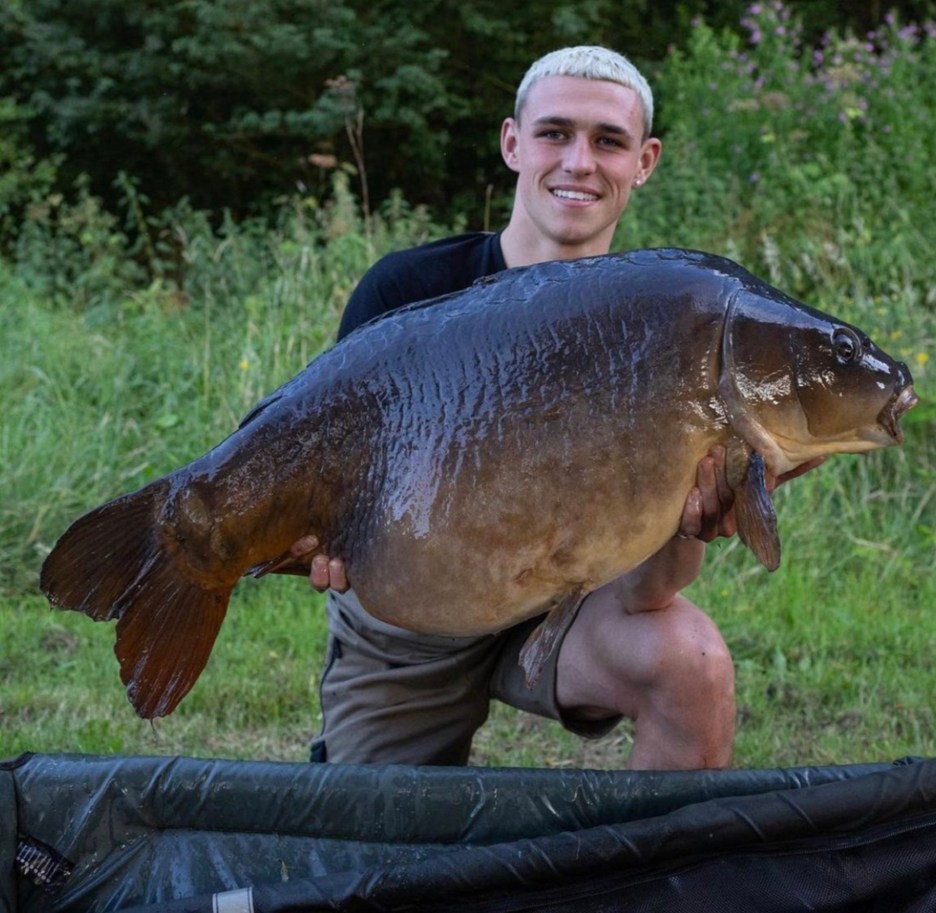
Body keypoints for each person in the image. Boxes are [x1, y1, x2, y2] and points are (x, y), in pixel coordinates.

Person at [288, 46, 819, 769]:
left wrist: (698, 518)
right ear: (512, 142)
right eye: (554, 133)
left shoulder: (670, 318)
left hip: (575, 602)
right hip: (415, 616)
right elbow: (331, 478)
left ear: (646, 161)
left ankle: (652, 882)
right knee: (382, 863)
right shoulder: (407, 292)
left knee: (693, 663)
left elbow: (649, 590)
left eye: (608, 141)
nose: (579, 161)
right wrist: (324, 541)